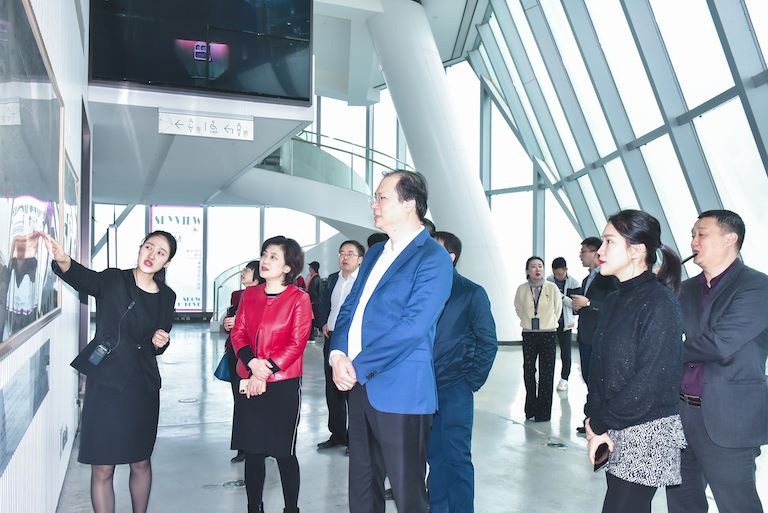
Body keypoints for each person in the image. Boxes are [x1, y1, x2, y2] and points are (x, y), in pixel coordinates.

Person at [330, 170, 453, 513]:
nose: (374, 204)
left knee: (407, 493)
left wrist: (356, 366)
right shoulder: (373, 254)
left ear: (409, 203)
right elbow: (350, 308)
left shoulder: (432, 258)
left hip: (401, 391)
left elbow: (413, 327)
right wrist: (337, 354)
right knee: (362, 485)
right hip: (359, 386)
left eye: (382, 198)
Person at [44, 230, 176, 513]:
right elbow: (83, 278)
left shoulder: (167, 296)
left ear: (166, 262)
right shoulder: (114, 279)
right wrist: (63, 259)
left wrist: (160, 342)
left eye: (160, 252)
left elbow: (159, 340)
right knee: (103, 467)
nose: (151, 255)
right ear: (140, 248)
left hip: (142, 387)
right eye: (149, 247)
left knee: (141, 462)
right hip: (106, 385)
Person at [666, 210, 768, 513]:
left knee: (737, 504)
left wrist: (667, 350)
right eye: (692, 235)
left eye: (702, 234)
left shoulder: (757, 286)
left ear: (730, 239)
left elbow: (720, 343)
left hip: (729, 418)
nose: (693, 242)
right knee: (682, 502)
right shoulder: (686, 288)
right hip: (680, 413)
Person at [585, 209, 685, 513]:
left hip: (646, 431)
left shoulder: (659, 303)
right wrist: (592, 418)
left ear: (637, 250)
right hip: (614, 423)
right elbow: (599, 366)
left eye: (609, 242)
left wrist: (599, 421)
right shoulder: (615, 299)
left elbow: (649, 383)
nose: (600, 251)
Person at [230, 236, 313, 513]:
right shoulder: (249, 295)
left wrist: (263, 371)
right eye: (264, 254)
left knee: (283, 452)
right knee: (253, 452)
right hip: (250, 379)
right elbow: (238, 333)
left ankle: (291, 509)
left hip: (282, 384)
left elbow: (297, 343)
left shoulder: (299, 299)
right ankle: (254, 507)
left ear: (288, 267)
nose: (265, 261)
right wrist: (253, 364)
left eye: (273, 257)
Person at [428, 231, 497, 513]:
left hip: (455, 387)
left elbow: (488, 341)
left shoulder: (471, 293)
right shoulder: (423, 290)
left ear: (450, 257)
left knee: (456, 457)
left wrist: (471, 381)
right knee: (434, 457)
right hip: (425, 389)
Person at [315, 240, 365, 450]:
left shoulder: (364, 280)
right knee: (332, 388)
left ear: (360, 259)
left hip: (353, 341)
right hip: (332, 338)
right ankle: (337, 435)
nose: (345, 257)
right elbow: (324, 303)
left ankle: (355, 439)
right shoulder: (334, 278)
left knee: (352, 390)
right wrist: (323, 323)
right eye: (342, 253)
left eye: (350, 253)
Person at [571, 237, 618, 433]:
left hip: (600, 338)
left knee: (600, 381)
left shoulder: (609, 278)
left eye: (583, 252)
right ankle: (591, 420)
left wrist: (589, 303)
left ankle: (600, 423)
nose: (580, 256)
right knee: (589, 379)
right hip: (585, 336)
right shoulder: (586, 279)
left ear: (595, 253)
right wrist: (578, 306)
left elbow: (614, 305)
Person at [221, 260, 263, 463]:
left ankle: (259, 445)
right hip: (235, 352)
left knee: (255, 402)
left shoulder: (265, 296)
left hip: (254, 356)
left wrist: (238, 323)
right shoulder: (237, 295)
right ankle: (242, 446)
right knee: (239, 400)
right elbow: (229, 325)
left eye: (247, 270)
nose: (243, 272)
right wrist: (227, 325)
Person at [514, 256, 562, 422]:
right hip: (529, 333)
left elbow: (558, 309)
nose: (537, 269)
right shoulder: (521, 289)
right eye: (533, 266)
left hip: (548, 333)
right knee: (529, 371)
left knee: (546, 373)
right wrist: (527, 321)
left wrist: (549, 322)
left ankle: (543, 413)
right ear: (527, 270)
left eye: (540, 266)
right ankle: (531, 408)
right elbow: (518, 308)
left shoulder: (552, 288)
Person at [546, 257, 580, 392]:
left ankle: (564, 379)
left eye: (560, 274)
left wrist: (560, 296)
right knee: (548, 352)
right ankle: (547, 377)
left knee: (566, 353)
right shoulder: (548, 280)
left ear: (566, 270)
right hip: (550, 323)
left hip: (566, 323)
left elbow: (575, 305)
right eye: (556, 274)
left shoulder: (574, 283)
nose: (558, 277)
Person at [306, 261, 321, 338]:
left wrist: (308, 297)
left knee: (312, 319)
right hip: (313, 302)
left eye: (310, 267)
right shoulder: (314, 277)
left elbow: (313, 291)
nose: (309, 269)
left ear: (313, 268)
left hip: (314, 302)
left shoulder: (315, 278)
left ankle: (312, 335)